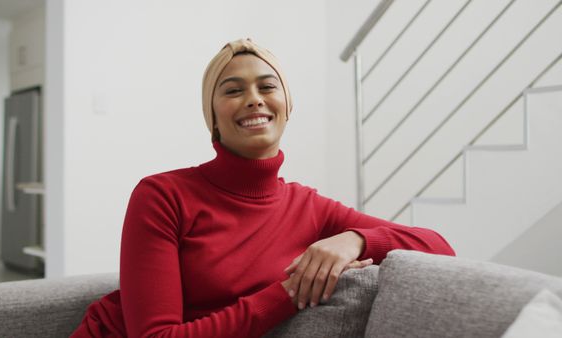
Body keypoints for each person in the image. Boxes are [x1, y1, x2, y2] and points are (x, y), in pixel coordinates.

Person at [71, 38, 455, 338]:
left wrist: (354, 240)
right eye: (233, 90)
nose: (253, 99)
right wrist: (289, 292)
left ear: (287, 106)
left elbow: (438, 247)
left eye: (267, 86)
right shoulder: (162, 195)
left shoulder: (310, 208)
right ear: (214, 119)